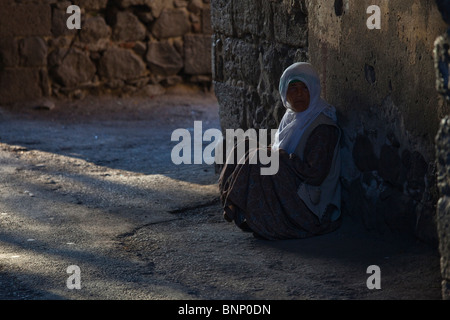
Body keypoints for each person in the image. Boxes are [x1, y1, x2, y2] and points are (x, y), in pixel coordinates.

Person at [218, 62, 342, 240]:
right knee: (245, 146)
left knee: (262, 157)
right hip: (292, 180)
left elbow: (315, 174)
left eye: (304, 88)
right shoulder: (292, 117)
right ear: (284, 92)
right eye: (292, 88)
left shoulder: (322, 127)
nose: (299, 94)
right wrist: (276, 154)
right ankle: (230, 200)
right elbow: (280, 149)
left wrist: (280, 156)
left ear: (313, 89)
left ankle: (235, 204)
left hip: (311, 201)